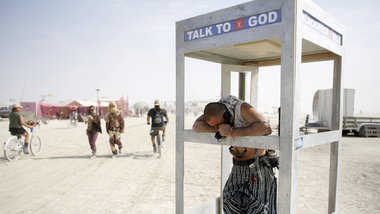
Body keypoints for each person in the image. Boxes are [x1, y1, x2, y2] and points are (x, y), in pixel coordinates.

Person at [192, 95, 277, 214]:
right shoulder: (217, 109)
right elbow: (196, 126)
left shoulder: (241, 108)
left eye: (218, 124)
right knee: (230, 202)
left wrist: (233, 131)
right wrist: (219, 130)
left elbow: (265, 128)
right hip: (238, 166)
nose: (217, 127)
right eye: (214, 125)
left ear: (227, 115)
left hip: (257, 166)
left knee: (259, 208)